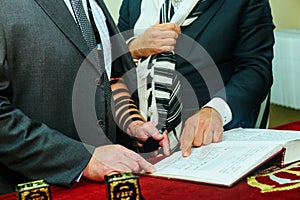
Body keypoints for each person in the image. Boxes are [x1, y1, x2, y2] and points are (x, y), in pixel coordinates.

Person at [0, 0, 171, 195]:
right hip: (34, 189)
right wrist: (82, 159)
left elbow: (104, 79)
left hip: (103, 187)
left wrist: (130, 124)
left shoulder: (91, 5)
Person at [118, 0, 275, 156]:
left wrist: (216, 110)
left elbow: (255, 69)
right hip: (138, 138)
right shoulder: (133, 3)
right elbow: (112, 64)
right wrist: (134, 47)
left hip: (207, 139)